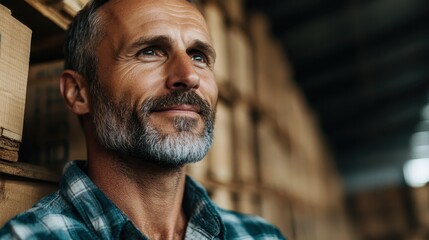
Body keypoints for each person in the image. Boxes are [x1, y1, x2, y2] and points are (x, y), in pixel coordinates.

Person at [0, 0, 286, 239]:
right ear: (78, 93)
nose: (188, 76)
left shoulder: (261, 235)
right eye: (149, 51)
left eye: (198, 56)